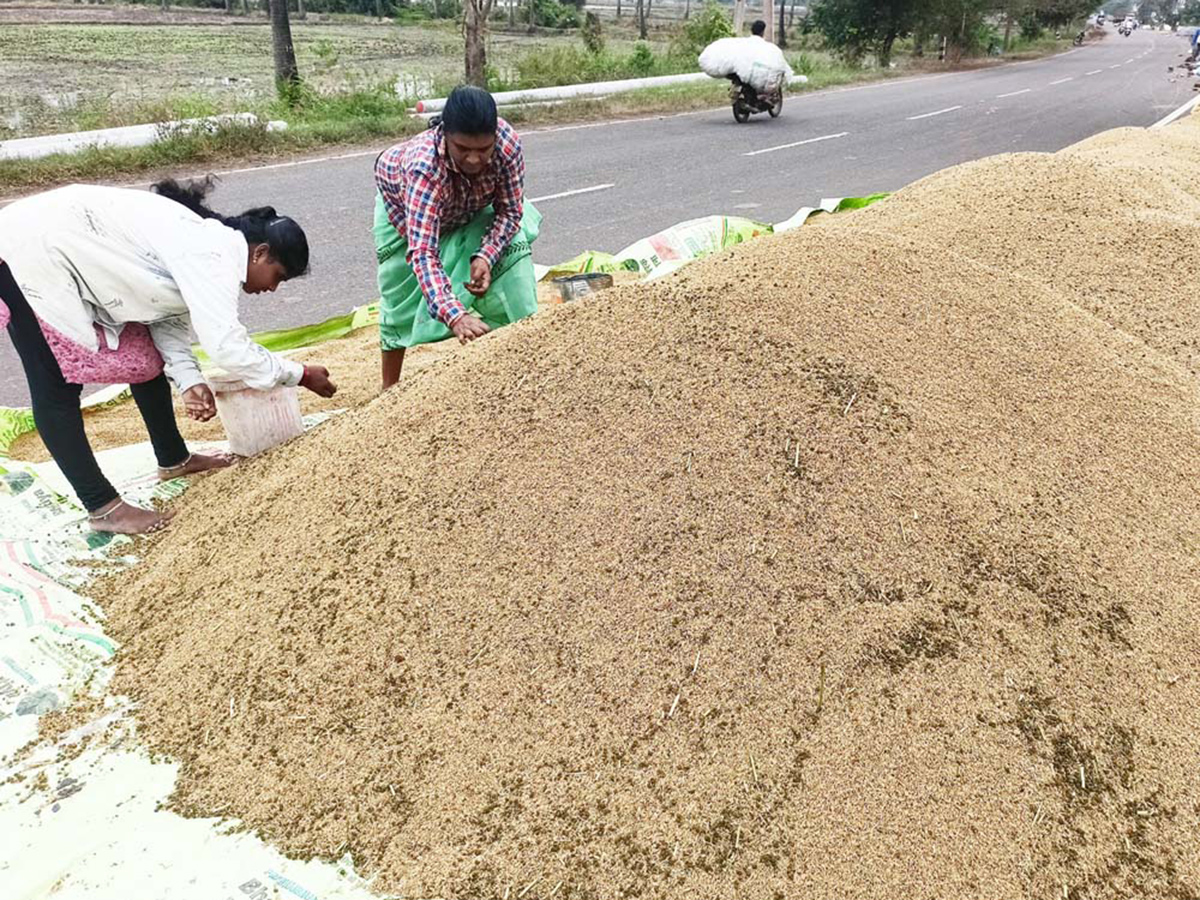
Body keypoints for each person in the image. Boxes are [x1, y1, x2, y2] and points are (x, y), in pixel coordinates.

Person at [0, 178, 338, 535]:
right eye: (278, 277)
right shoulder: (213, 254)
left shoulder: (209, 246)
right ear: (260, 253)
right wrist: (301, 374)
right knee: (55, 386)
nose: (272, 288)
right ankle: (103, 508)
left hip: (66, 246)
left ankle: (173, 459)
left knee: (146, 357)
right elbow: (227, 346)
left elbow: (165, 316)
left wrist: (190, 381)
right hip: (29, 251)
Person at [373, 85, 541, 390]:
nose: (475, 160)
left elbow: (509, 211)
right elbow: (423, 252)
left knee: (514, 251)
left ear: (495, 136)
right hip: (406, 209)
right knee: (399, 299)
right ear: (445, 134)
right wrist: (455, 317)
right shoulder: (423, 168)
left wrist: (485, 255)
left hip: (472, 205)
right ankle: (389, 389)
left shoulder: (508, 145)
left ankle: (530, 354)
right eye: (463, 149)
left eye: (483, 149)